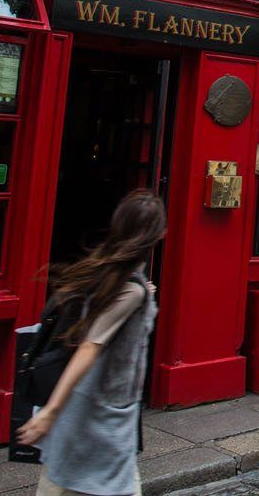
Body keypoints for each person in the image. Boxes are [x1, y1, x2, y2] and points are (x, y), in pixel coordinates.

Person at [17, 190, 165, 494]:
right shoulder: (130, 289)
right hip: (97, 415)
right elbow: (90, 346)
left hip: (82, 412)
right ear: (159, 234)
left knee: (59, 483)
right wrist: (51, 411)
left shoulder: (104, 268)